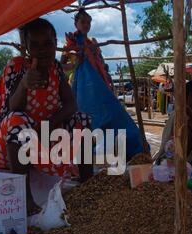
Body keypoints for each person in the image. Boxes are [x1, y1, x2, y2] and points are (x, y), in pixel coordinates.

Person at [0, 18, 93, 215]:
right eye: (35, 45)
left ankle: (88, 185)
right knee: (18, 121)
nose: (42, 50)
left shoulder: (55, 68)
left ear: (56, 44)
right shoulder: (17, 67)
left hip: (44, 138)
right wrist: (24, 84)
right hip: (7, 145)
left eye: (48, 44)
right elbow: (11, 107)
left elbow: (71, 104)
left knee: (82, 120)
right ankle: (25, 199)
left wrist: (50, 124)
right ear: (27, 47)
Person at [60, 9, 145, 159]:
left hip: (99, 85)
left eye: (88, 22)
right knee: (88, 117)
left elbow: (102, 64)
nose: (86, 25)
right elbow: (61, 67)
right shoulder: (71, 42)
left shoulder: (93, 43)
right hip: (83, 87)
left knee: (112, 113)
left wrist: (106, 72)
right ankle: (92, 151)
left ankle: (123, 147)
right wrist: (75, 65)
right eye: (83, 22)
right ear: (75, 23)